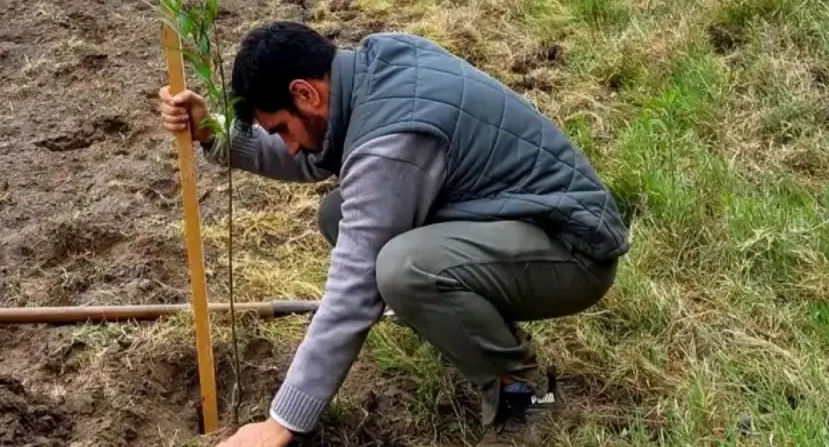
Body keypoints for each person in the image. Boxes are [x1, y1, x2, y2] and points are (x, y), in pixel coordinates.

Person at [158, 22, 631, 446]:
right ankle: (474, 328)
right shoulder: (376, 63)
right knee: (339, 214)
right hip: (520, 220)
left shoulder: (392, 140)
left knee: (402, 270)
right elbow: (314, 153)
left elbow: (353, 290)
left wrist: (281, 422)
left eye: (282, 129)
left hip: (572, 252)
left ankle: (520, 393)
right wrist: (213, 132)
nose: (291, 146)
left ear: (306, 93)